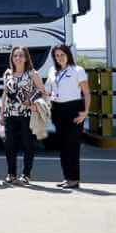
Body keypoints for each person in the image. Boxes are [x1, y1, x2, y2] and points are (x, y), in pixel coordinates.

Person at [0, 46, 46, 185]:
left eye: (21, 55)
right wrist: (1, 114)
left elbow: (42, 92)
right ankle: (11, 174)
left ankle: (26, 174)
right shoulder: (7, 73)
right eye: (15, 56)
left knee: (27, 145)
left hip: (27, 114)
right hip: (10, 114)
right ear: (12, 58)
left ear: (26, 58)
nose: (18, 58)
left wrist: (33, 104)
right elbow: (5, 94)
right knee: (9, 145)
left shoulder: (32, 73)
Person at [46, 43, 90, 189]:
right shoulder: (52, 71)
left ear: (68, 55)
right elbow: (47, 90)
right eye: (57, 56)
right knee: (63, 146)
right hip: (57, 109)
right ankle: (67, 177)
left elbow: (87, 93)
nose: (59, 58)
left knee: (72, 145)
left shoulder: (78, 70)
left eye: (62, 55)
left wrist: (86, 112)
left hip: (74, 109)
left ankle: (74, 179)